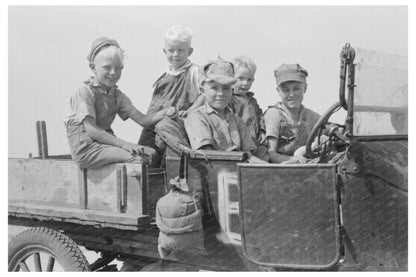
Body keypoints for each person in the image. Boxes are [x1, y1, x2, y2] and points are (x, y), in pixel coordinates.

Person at [64, 37, 177, 169]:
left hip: (104, 145)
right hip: (86, 148)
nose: (113, 73)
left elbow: (143, 120)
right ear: (92, 67)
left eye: (118, 68)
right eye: (107, 67)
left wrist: (166, 112)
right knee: (140, 158)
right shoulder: (84, 91)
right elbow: (92, 130)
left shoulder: (117, 95)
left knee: (151, 153)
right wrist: (125, 144)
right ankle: (123, 186)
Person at [139, 25, 204, 160]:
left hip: (176, 122)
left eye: (181, 50)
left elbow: (204, 94)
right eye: (171, 50)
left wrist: (190, 111)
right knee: (145, 155)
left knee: (171, 157)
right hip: (155, 122)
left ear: (189, 51)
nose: (176, 54)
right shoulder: (164, 75)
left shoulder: (194, 71)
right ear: (164, 51)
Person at [185, 59, 264, 163]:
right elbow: (206, 154)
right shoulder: (197, 117)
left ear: (232, 90)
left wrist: (272, 169)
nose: (221, 94)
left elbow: (249, 156)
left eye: (226, 88)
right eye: (214, 88)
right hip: (215, 172)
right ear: (203, 91)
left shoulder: (236, 119)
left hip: (238, 171)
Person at [264, 63, 320, 163]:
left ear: (305, 88)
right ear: (278, 91)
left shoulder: (313, 117)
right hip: (280, 170)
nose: (291, 94)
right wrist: (293, 161)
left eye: (296, 88)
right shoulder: (274, 115)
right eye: (285, 90)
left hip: (307, 167)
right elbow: (271, 153)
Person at [230, 56, 268, 161]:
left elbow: (260, 116)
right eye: (240, 78)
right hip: (240, 146)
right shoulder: (230, 99)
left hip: (255, 143)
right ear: (232, 77)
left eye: (249, 79)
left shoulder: (252, 101)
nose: (245, 83)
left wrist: (262, 130)